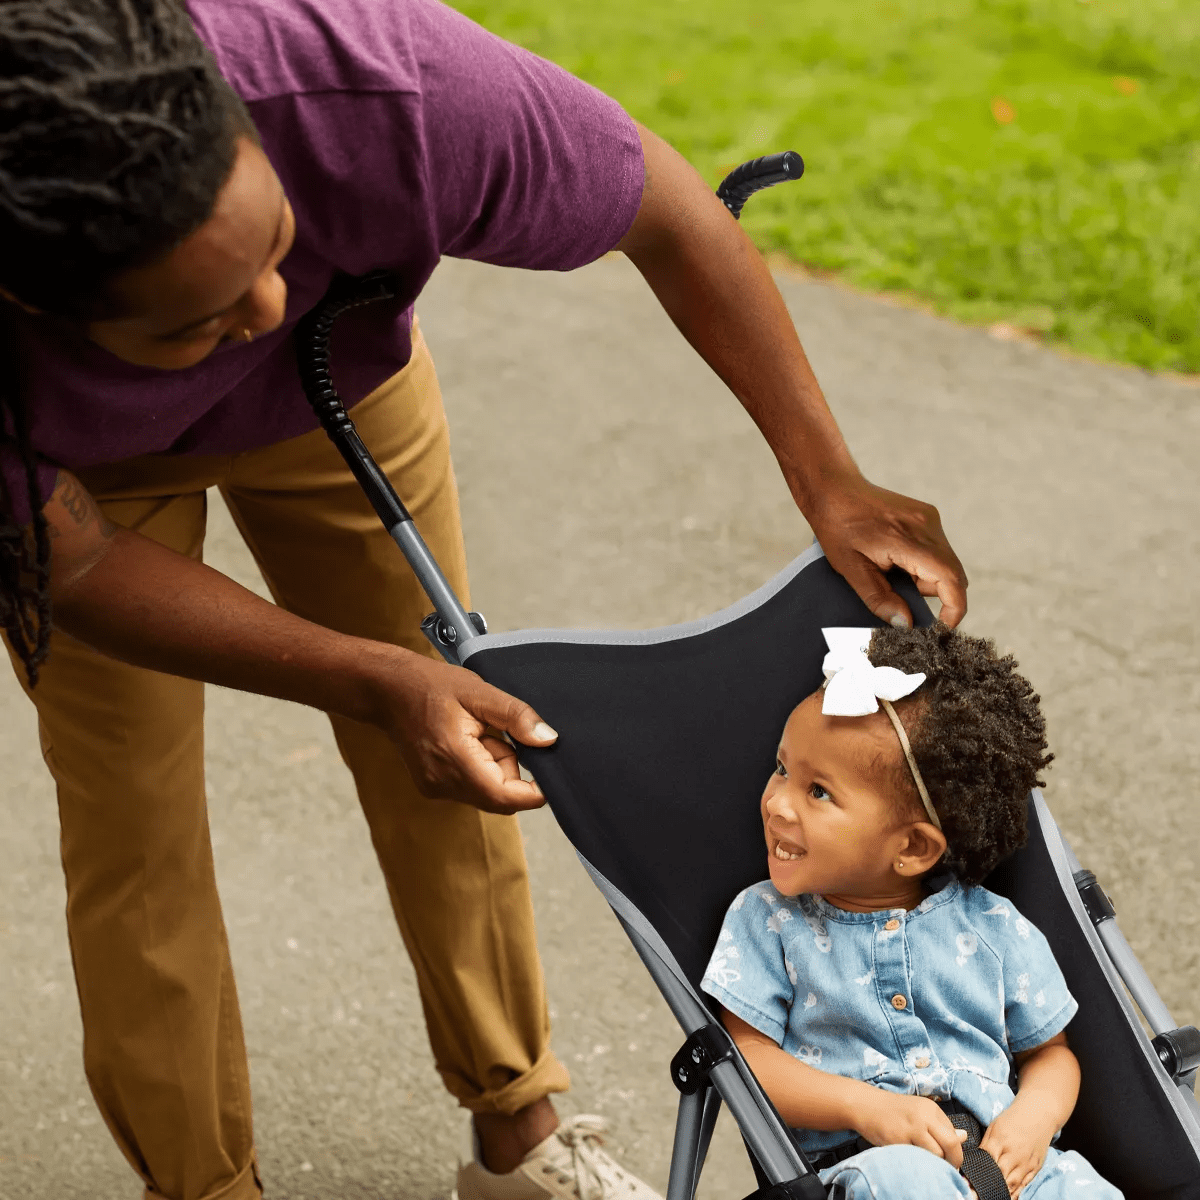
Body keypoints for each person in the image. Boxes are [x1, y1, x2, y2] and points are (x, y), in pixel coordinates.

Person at [0, 2, 968, 1199]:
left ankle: (519, 1125)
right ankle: (203, 1187)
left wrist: (829, 476)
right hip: (87, 483)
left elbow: (660, 203)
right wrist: (365, 673)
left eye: (273, 244)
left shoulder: (383, 86)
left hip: (341, 393)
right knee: (132, 820)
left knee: (464, 740)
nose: (261, 310)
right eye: (199, 317)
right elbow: (80, 566)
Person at [701, 625, 1123, 1200]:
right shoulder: (769, 920)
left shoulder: (994, 927)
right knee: (904, 1182)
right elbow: (749, 1061)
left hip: (1010, 1164)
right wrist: (864, 1106)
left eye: (818, 792)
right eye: (782, 769)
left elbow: (1050, 1054)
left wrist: (1033, 1121)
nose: (776, 802)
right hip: (870, 1160)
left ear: (912, 848)